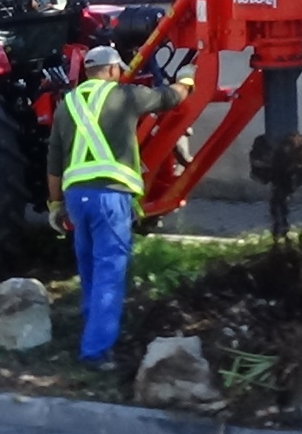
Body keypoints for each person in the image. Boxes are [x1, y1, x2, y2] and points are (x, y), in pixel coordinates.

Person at [45, 46, 195, 370]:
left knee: (89, 269)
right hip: (110, 198)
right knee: (110, 272)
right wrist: (188, 79)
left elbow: (54, 163)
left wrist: (55, 205)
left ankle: (91, 332)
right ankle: (96, 352)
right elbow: (169, 98)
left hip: (76, 198)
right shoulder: (126, 96)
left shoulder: (65, 105)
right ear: (112, 70)